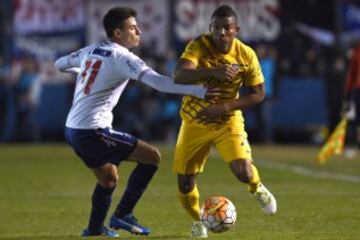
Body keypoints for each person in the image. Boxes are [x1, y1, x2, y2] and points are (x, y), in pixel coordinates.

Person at [55, 7, 218, 237]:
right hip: (93, 130)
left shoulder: (91, 50)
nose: (139, 31)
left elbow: (59, 64)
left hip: (73, 129)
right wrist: (198, 91)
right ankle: (123, 215)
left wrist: (84, 71)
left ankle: (94, 229)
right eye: (133, 27)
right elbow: (160, 83)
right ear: (118, 33)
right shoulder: (123, 58)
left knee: (108, 179)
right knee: (152, 157)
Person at [172, 5, 277, 238]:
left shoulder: (246, 55)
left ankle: (257, 188)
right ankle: (198, 221)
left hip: (227, 120)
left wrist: (225, 107)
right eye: (216, 28)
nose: (220, 33)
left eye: (226, 28)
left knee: (243, 171)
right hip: (194, 121)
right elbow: (178, 75)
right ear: (210, 28)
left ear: (236, 29)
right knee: (185, 184)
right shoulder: (198, 45)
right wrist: (214, 72)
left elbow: (258, 94)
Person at [343, 41, 360, 150]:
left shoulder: (356, 52)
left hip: (358, 87)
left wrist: (348, 92)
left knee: (359, 116)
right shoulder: (356, 52)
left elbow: (352, 74)